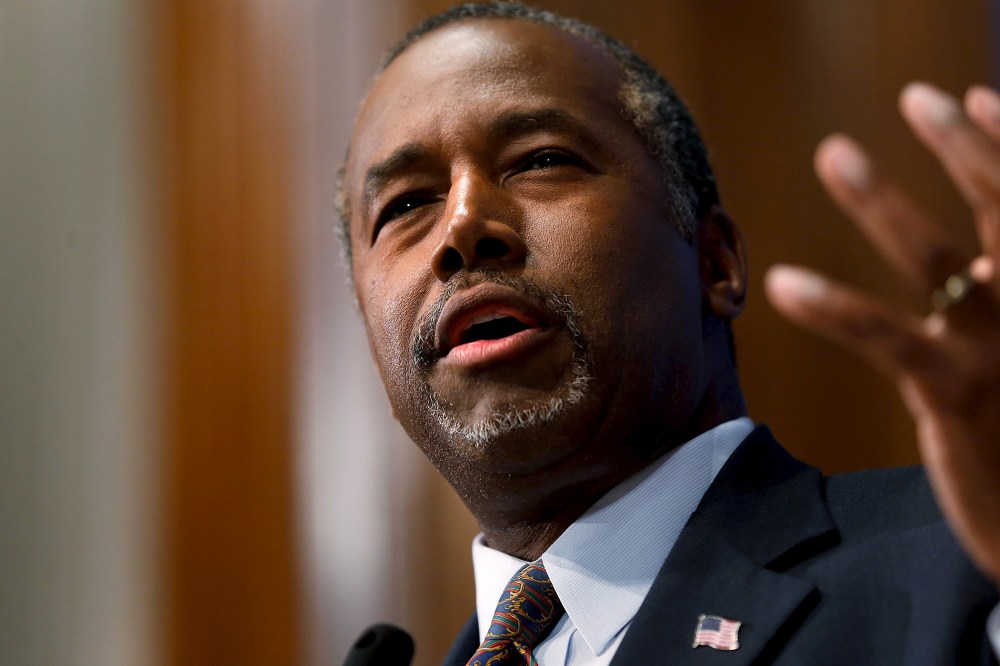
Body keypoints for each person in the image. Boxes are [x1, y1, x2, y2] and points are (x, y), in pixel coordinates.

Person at [337, 2, 1000, 663]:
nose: (461, 226)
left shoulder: (960, 563)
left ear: (714, 262)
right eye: (405, 204)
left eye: (540, 160)